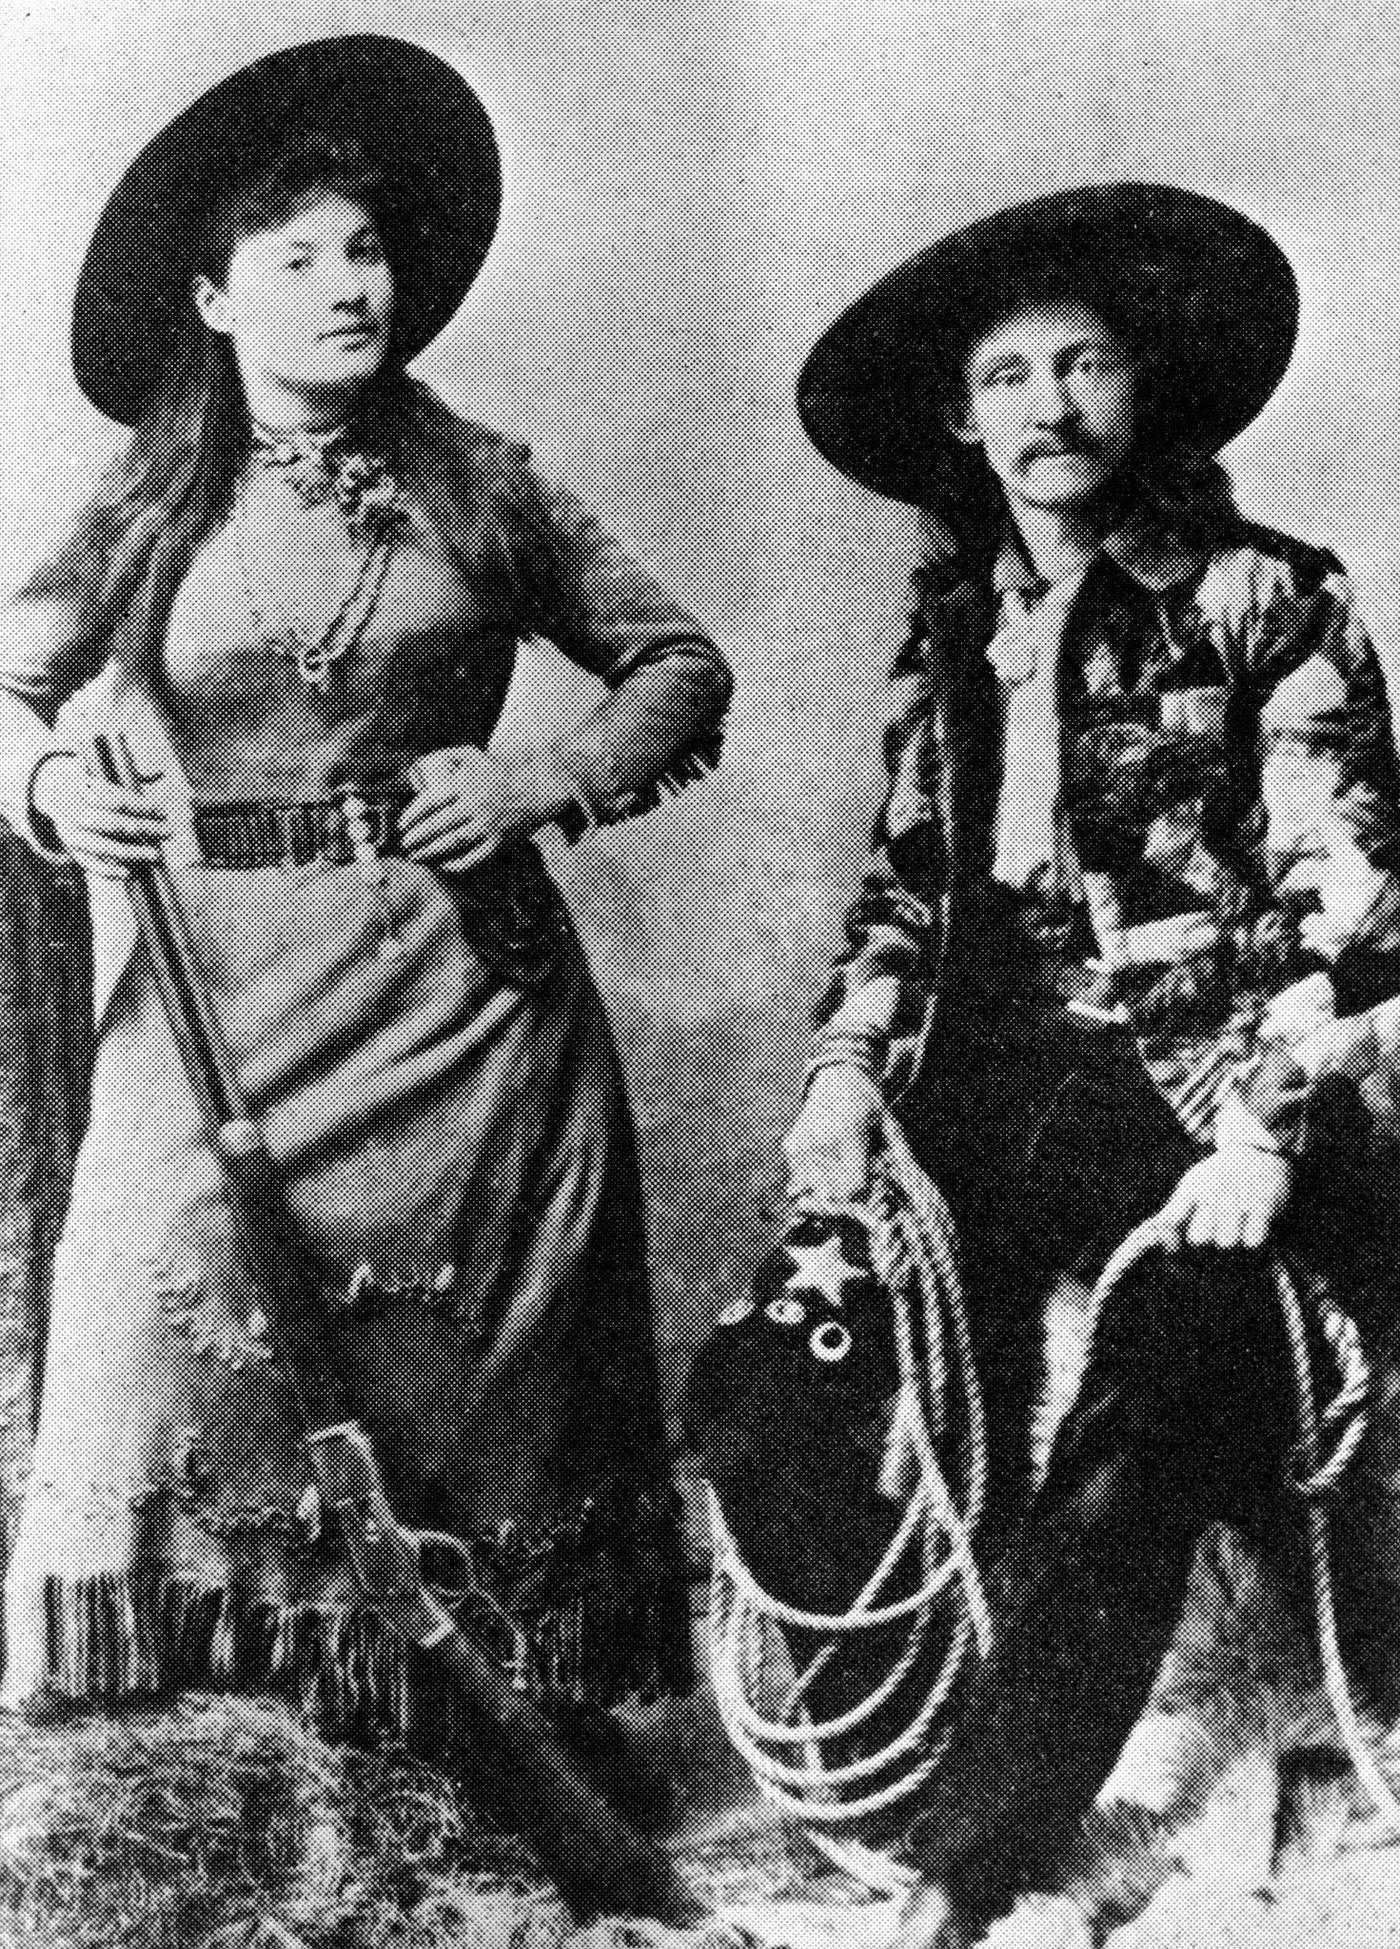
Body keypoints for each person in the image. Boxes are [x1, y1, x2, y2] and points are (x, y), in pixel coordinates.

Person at [0, 36, 730, 1779]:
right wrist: (42, 784)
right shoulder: (150, 499)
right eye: (300, 257)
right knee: (156, 1324)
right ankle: (216, 1757)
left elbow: (679, 667)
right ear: (213, 296)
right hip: (215, 1007)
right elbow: (8, 687)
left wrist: (540, 776)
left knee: (468, 1392)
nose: (350, 287)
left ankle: (466, 1755)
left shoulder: (487, 480)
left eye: (369, 252)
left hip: (471, 1015)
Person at [783, 184, 1400, 1943]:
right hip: (993, 1079)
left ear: (1147, 391)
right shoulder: (955, 625)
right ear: (962, 421)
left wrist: (1272, 1130)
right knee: (797, 1358)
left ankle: (972, 1858)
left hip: (1210, 1082)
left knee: (1169, 1365)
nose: (1049, 407)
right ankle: (881, 1763)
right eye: (1007, 374)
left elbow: (1350, 905)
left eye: (1086, 363)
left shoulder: (1267, 598)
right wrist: (844, 1074)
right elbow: (908, 891)